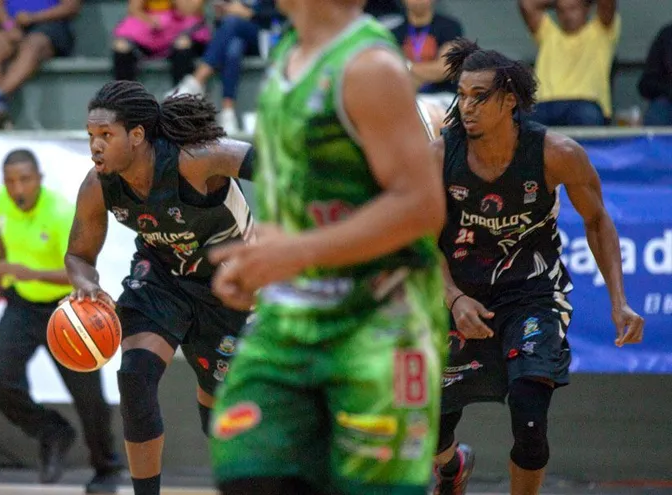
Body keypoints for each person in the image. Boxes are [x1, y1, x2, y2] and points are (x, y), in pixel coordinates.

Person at [206, 1, 448, 493]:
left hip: (378, 319)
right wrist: (263, 260)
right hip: (290, 318)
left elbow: (422, 206)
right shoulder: (289, 52)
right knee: (247, 469)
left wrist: (297, 253)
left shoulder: (369, 67)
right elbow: (303, 200)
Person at [431, 39, 645, 495]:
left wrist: (619, 302)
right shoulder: (439, 156)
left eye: (479, 97)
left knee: (530, 422)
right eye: (461, 95)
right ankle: (451, 470)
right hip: (460, 295)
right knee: (431, 432)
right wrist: (454, 298)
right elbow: (418, 243)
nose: (466, 107)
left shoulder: (556, 153)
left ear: (509, 100)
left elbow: (597, 222)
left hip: (532, 293)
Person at [65, 80, 255, 495]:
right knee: (135, 377)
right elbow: (78, 256)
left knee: (220, 414)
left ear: (137, 136)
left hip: (230, 286)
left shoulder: (196, 160)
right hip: (161, 278)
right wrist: (84, 284)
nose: (95, 146)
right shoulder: (98, 185)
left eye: (106, 135)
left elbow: (280, 168)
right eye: (91, 136)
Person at [0, 149, 122, 493]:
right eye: (10, 180)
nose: (17, 188)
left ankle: (106, 469)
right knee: (0, 382)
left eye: (25, 179)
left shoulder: (61, 213)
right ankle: (52, 431)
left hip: (65, 309)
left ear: (39, 179)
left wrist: (27, 271)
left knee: (89, 399)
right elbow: (2, 242)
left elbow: (76, 271)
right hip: (22, 304)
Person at [169, 0, 283, 134]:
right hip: (235, 36)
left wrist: (251, 13)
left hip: (264, 34)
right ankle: (228, 114)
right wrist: (224, 10)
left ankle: (196, 81)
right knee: (234, 48)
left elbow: (282, 13)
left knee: (232, 23)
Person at [0, 0, 81, 129]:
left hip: (50, 26)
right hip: (11, 26)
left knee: (34, 44)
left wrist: (33, 17)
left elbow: (70, 7)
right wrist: (9, 26)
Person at [519, 0, 620, 126]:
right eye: (561, 10)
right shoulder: (549, 34)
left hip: (584, 104)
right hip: (545, 105)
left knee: (586, 115)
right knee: (518, 120)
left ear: (586, 8)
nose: (567, 15)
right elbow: (526, 4)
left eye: (573, 8)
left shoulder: (600, 31)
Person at [112, 0, 211, 88]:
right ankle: (124, 98)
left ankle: (181, 99)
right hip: (149, 29)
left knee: (182, 44)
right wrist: (149, 20)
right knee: (121, 46)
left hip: (182, 29)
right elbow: (134, 9)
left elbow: (188, 10)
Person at [393, 0, 463, 110]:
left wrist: (407, 67)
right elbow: (394, 75)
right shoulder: (394, 33)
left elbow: (445, 69)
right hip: (409, 99)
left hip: (444, 97)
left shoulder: (450, 27)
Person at [638, 22, 672, 126]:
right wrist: (668, 90)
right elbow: (646, 83)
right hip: (668, 101)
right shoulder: (667, 36)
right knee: (656, 117)